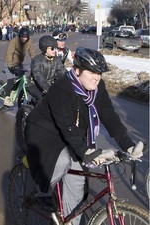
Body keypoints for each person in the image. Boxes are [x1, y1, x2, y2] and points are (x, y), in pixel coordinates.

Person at [24, 47, 144, 225]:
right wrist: (86, 152)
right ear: (77, 70)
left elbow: (110, 117)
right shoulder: (62, 89)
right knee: (63, 160)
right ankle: (44, 191)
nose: (97, 77)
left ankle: (70, 221)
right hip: (44, 131)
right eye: (92, 72)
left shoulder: (97, 88)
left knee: (78, 179)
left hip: (72, 132)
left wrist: (128, 145)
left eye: (100, 73)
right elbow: (66, 126)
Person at [3, 27, 37, 106]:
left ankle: (13, 91)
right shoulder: (14, 41)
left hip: (18, 62)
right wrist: (10, 66)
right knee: (11, 79)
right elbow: (10, 53)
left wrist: (35, 63)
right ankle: (7, 98)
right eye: (22, 36)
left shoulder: (29, 42)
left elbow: (32, 53)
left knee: (20, 78)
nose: (23, 39)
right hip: (9, 61)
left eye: (25, 37)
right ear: (19, 36)